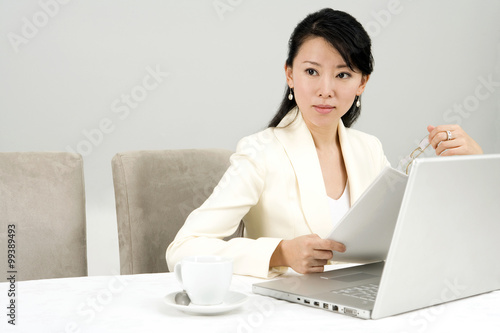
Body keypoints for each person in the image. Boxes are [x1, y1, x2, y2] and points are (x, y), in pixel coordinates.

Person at [166, 8, 483, 279]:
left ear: (362, 83)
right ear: (290, 75)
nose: (325, 89)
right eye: (311, 72)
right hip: (286, 315)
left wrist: (471, 168)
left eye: (343, 75)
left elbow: (415, 240)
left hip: (360, 308)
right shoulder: (259, 152)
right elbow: (183, 249)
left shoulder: (368, 149)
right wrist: (280, 252)